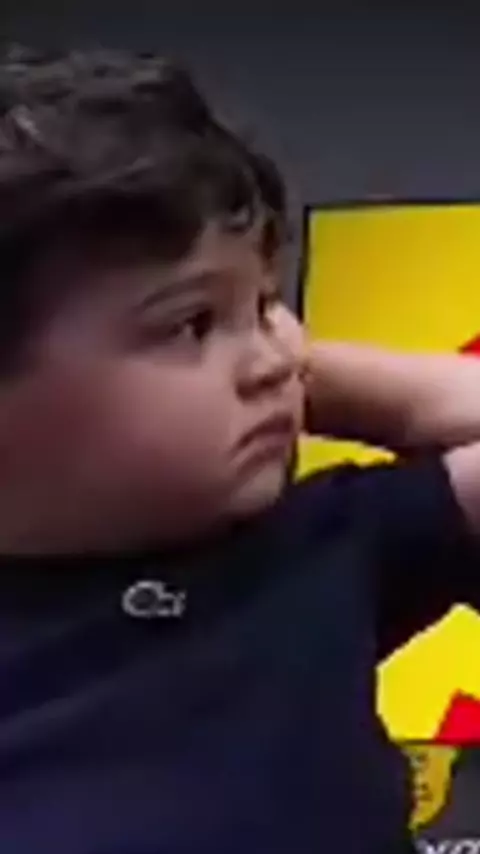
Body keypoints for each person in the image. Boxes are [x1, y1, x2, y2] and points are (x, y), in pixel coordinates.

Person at [1, 45, 480, 854]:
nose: (275, 357)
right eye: (192, 322)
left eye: (264, 305)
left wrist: (304, 371)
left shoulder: (313, 547)